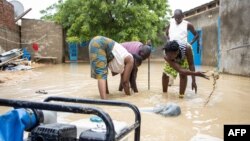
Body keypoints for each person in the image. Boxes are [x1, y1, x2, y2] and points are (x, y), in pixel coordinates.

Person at [165, 9, 199, 86]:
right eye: (175, 18)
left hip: (184, 49)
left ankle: (184, 91)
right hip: (171, 50)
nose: (177, 20)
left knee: (183, 72)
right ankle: (171, 78)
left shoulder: (188, 24)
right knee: (167, 71)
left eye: (179, 18)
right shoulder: (171, 23)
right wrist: (168, 40)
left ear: (183, 16)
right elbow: (166, 33)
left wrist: (190, 43)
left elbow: (196, 35)